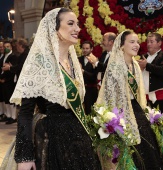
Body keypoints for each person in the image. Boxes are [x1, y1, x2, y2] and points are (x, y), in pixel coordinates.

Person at [10, 8, 101, 170]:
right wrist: (24, 155)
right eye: (70, 24)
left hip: (78, 139)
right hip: (50, 140)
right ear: (54, 28)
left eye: (78, 24)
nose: (77, 29)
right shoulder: (39, 62)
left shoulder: (73, 62)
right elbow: (25, 113)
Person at [96, 30, 163, 169]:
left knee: (149, 149)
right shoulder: (115, 67)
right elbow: (110, 97)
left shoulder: (135, 65)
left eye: (137, 42)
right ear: (122, 45)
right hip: (122, 113)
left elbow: (139, 92)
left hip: (137, 109)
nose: (136, 45)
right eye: (132, 42)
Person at [138, 32, 163, 115]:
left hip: (159, 96)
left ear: (159, 43)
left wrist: (147, 65)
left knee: (160, 123)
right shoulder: (144, 56)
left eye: (151, 42)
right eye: (148, 42)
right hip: (145, 96)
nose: (148, 44)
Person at [78, 41, 98, 114]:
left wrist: (83, 71)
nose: (85, 50)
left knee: (90, 112)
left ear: (91, 49)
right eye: (83, 48)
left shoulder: (95, 60)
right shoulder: (78, 59)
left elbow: (95, 77)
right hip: (80, 90)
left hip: (91, 91)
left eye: (87, 48)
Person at [0, 41, 17, 124]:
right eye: (5, 46)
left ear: (11, 47)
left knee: (11, 99)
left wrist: (5, 79)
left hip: (10, 81)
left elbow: (12, 70)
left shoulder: (13, 56)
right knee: (6, 99)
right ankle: (8, 115)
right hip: (4, 80)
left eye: (8, 46)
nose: (6, 48)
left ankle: (13, 117)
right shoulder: (4, 56)